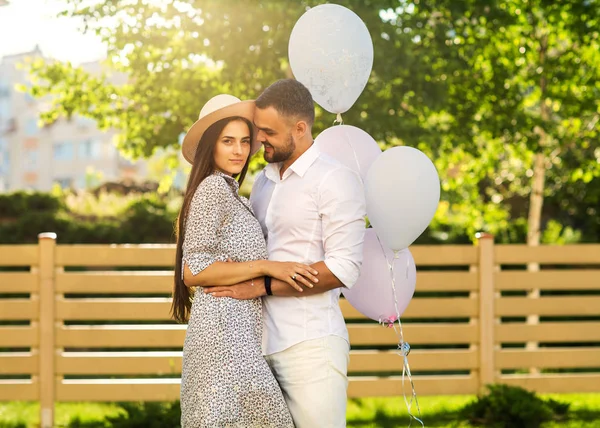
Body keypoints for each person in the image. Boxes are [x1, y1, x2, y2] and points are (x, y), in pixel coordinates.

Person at [208, 79, 367, 427]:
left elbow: (343, 268)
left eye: (268, 131)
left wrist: (261, 286)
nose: (259, 139)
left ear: (300, 127)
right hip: (257, 344)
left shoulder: (336, 180)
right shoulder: (263, 181)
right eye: (258, 129)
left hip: (309, 347)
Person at [172, 94, 319, 427]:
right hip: (223, 337)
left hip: (239, 334)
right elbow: (194, 271)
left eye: (243, 141)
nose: (238, 150)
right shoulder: (212, 188)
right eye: (228, 141)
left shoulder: (230, 193)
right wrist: (268, 267)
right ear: (211, 146)